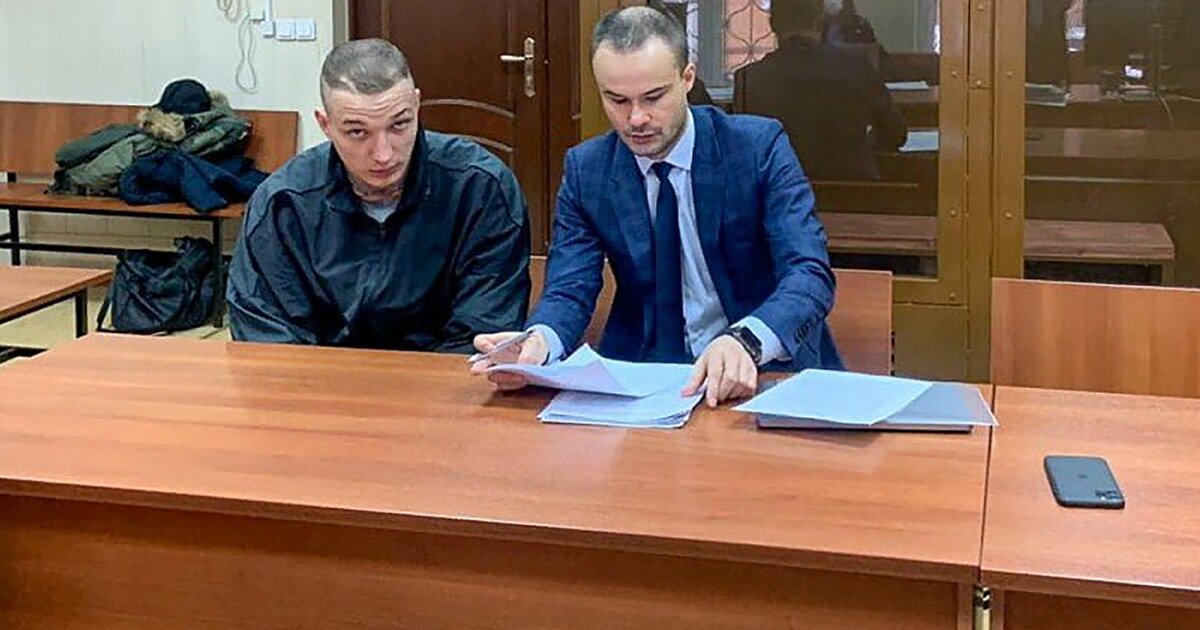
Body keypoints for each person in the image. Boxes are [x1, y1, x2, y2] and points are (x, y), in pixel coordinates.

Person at [472, 6, 843, 407]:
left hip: (760, 373)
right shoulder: (587, 170)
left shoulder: (756, 148)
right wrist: (539, 342)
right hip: (640, 380)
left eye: (653, 97)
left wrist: (748, 339)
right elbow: (569, 288)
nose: (636, 119)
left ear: (687, 78)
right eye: (617, 100)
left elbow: (808, 273)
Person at [226, 39, 531, 352]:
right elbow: (266, 338)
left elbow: (483, 335)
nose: (383, 154)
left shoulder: (480, 189)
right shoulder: (284, 203)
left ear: (416, 105)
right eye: (358, 132)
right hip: (318, 377)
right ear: (325, 125)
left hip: (446, 378)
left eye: (399, 124)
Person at [734, 0, 906, 180]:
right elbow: (895, 133)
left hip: (779, 191)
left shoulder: (749, 78)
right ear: (820, 21)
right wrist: (861, 145)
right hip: (852, 188)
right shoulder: (856, 66)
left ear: (772, 24)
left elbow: (742, 148)